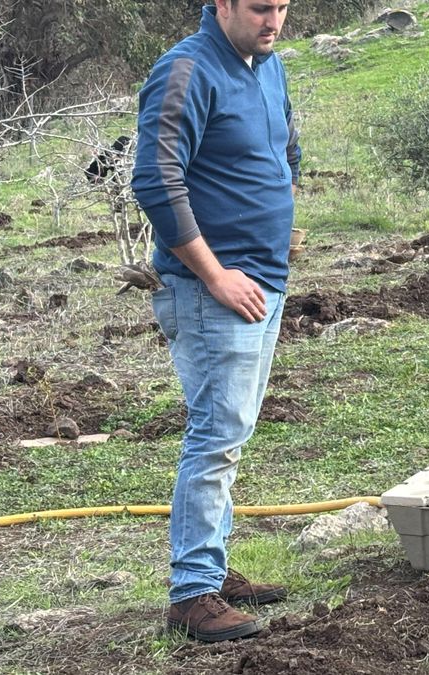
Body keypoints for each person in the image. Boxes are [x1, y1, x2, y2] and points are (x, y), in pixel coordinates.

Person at [132, 0, 300, 643]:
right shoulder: (186, 70)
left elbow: (286, 150)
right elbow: (155, 180)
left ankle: (212, 566)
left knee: (233, 429)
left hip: (264, 280)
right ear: (223, 4)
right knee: (216, 433)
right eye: (260, 7)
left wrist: (282, 220)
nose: (273, 20)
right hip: (213, 291)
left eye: (282, 7)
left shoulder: (267, 64)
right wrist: (214, 273)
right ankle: (192, 592)